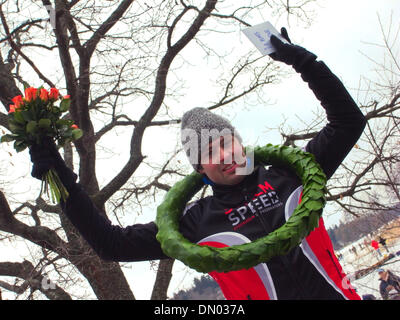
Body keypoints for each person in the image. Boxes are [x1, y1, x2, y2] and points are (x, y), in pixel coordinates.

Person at [29, 28, 366, 300]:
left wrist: (305, 63)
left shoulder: (293, 174)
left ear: (239, 142)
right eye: (208, 153)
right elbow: (110, 244)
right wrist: (59, 176)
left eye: (226, 142)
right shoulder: (195, 224)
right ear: (200, 170)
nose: (224, 155)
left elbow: (348, 122)